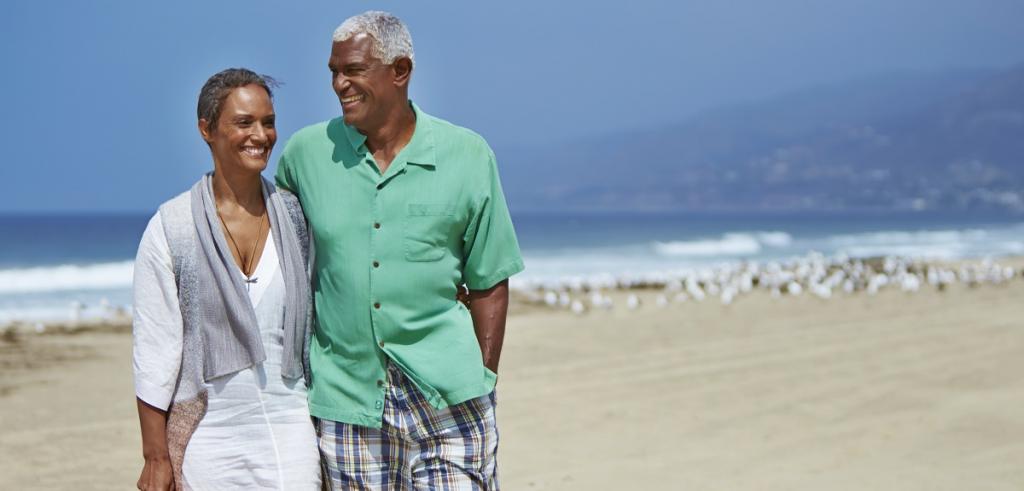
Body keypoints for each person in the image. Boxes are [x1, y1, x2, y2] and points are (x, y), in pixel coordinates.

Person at [275, 10, 524, 490]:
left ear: (400, 71)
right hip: (347, 402)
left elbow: (490, 279)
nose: (339, 84)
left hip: (448, 400)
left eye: (353, 70)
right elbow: (280, 264)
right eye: (333, 71)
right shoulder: (305, 156)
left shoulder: (468, 156)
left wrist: (483, 375)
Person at [132, 68, 321, 490]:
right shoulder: (172, 227)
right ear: (206, 129)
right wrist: (156, 456)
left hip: (289, 425)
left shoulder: (295, 218)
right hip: (210, 434)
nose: (261, 135)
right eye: (244, 122)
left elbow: (338, 289)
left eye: (268, 122)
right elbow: (155, 349)